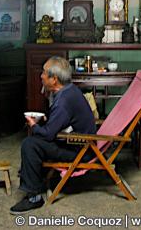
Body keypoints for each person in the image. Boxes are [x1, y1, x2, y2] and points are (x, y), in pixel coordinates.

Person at [10, 56, 96, 214]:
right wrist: (45, 120)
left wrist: (33, 125)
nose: (41, 76)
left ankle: (34, 198)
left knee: (30, 144)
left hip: (81, 151)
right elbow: (61, 121)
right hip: (78, 143)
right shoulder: (69, 90)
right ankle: (33, 177)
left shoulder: (63, 100)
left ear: (54, 79)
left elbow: (48, 135)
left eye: (44, 73)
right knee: (35, 140)